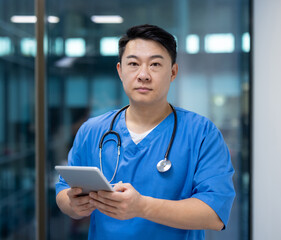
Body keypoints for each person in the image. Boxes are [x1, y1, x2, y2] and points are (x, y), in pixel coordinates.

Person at [56, 24, 235, 240]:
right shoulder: (92, 131)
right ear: (120, 71)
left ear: (173, 72)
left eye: (155, 64)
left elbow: (214, 214)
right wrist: (73, 205)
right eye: (133, 64)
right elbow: (63, 190)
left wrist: (142, 207)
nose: (143, 75)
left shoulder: (201, 133)